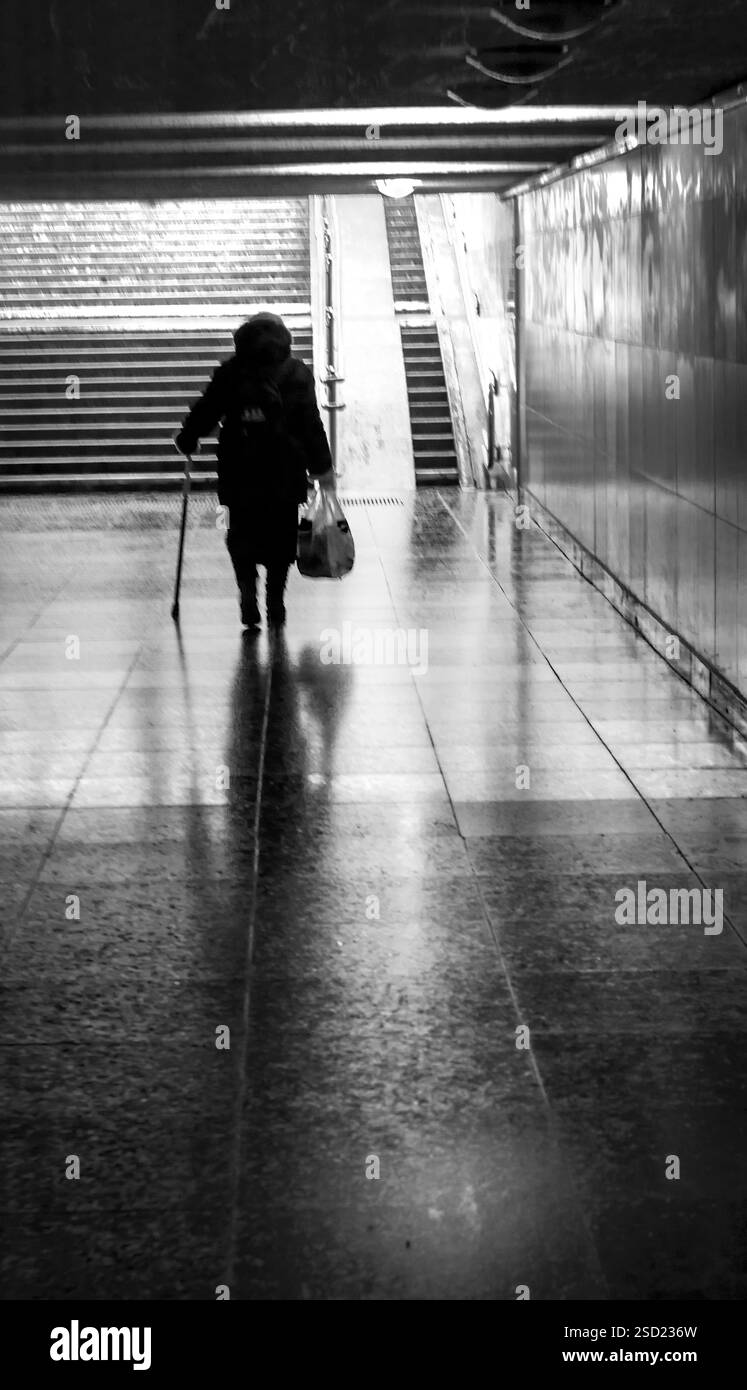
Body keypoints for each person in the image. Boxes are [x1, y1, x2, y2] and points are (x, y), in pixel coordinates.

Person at [174, 312, 335, 629]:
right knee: (282, 536)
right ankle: (275, 600)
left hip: (238, 470)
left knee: (238, 531)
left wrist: (187, 439)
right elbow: (310, 424)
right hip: (285, 470)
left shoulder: (231, 372)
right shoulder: (297, 373)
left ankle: (247, 592)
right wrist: (322, 467)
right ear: (283, 338)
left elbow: (205, 410)